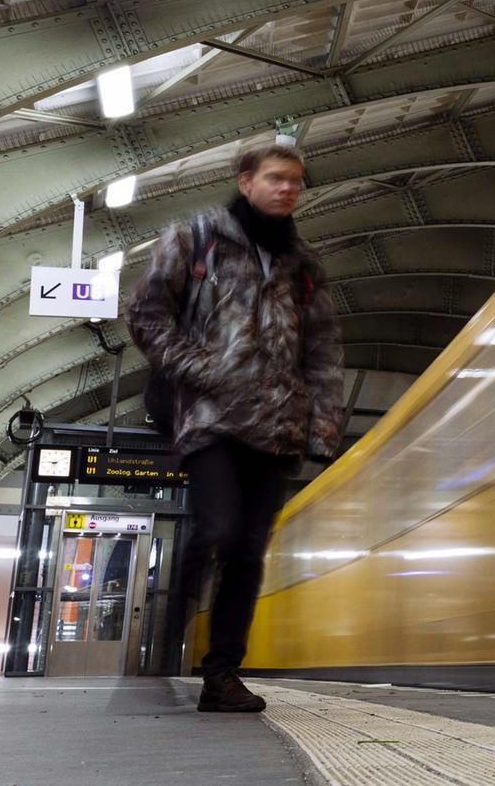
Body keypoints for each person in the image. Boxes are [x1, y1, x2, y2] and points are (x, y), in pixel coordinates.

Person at [129, 142, 343, 712]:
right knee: (219, 529)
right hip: (210, 419)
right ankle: (173, 611)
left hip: (276, 429)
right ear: (245, 181)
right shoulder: (194, 239)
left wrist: (323, 420)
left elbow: (320, 350)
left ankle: (221, 676)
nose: (288, 189)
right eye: (276, 178)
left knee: (248, 555)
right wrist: (205, 370)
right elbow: (148, 316)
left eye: (297, 181)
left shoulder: (305, 267)